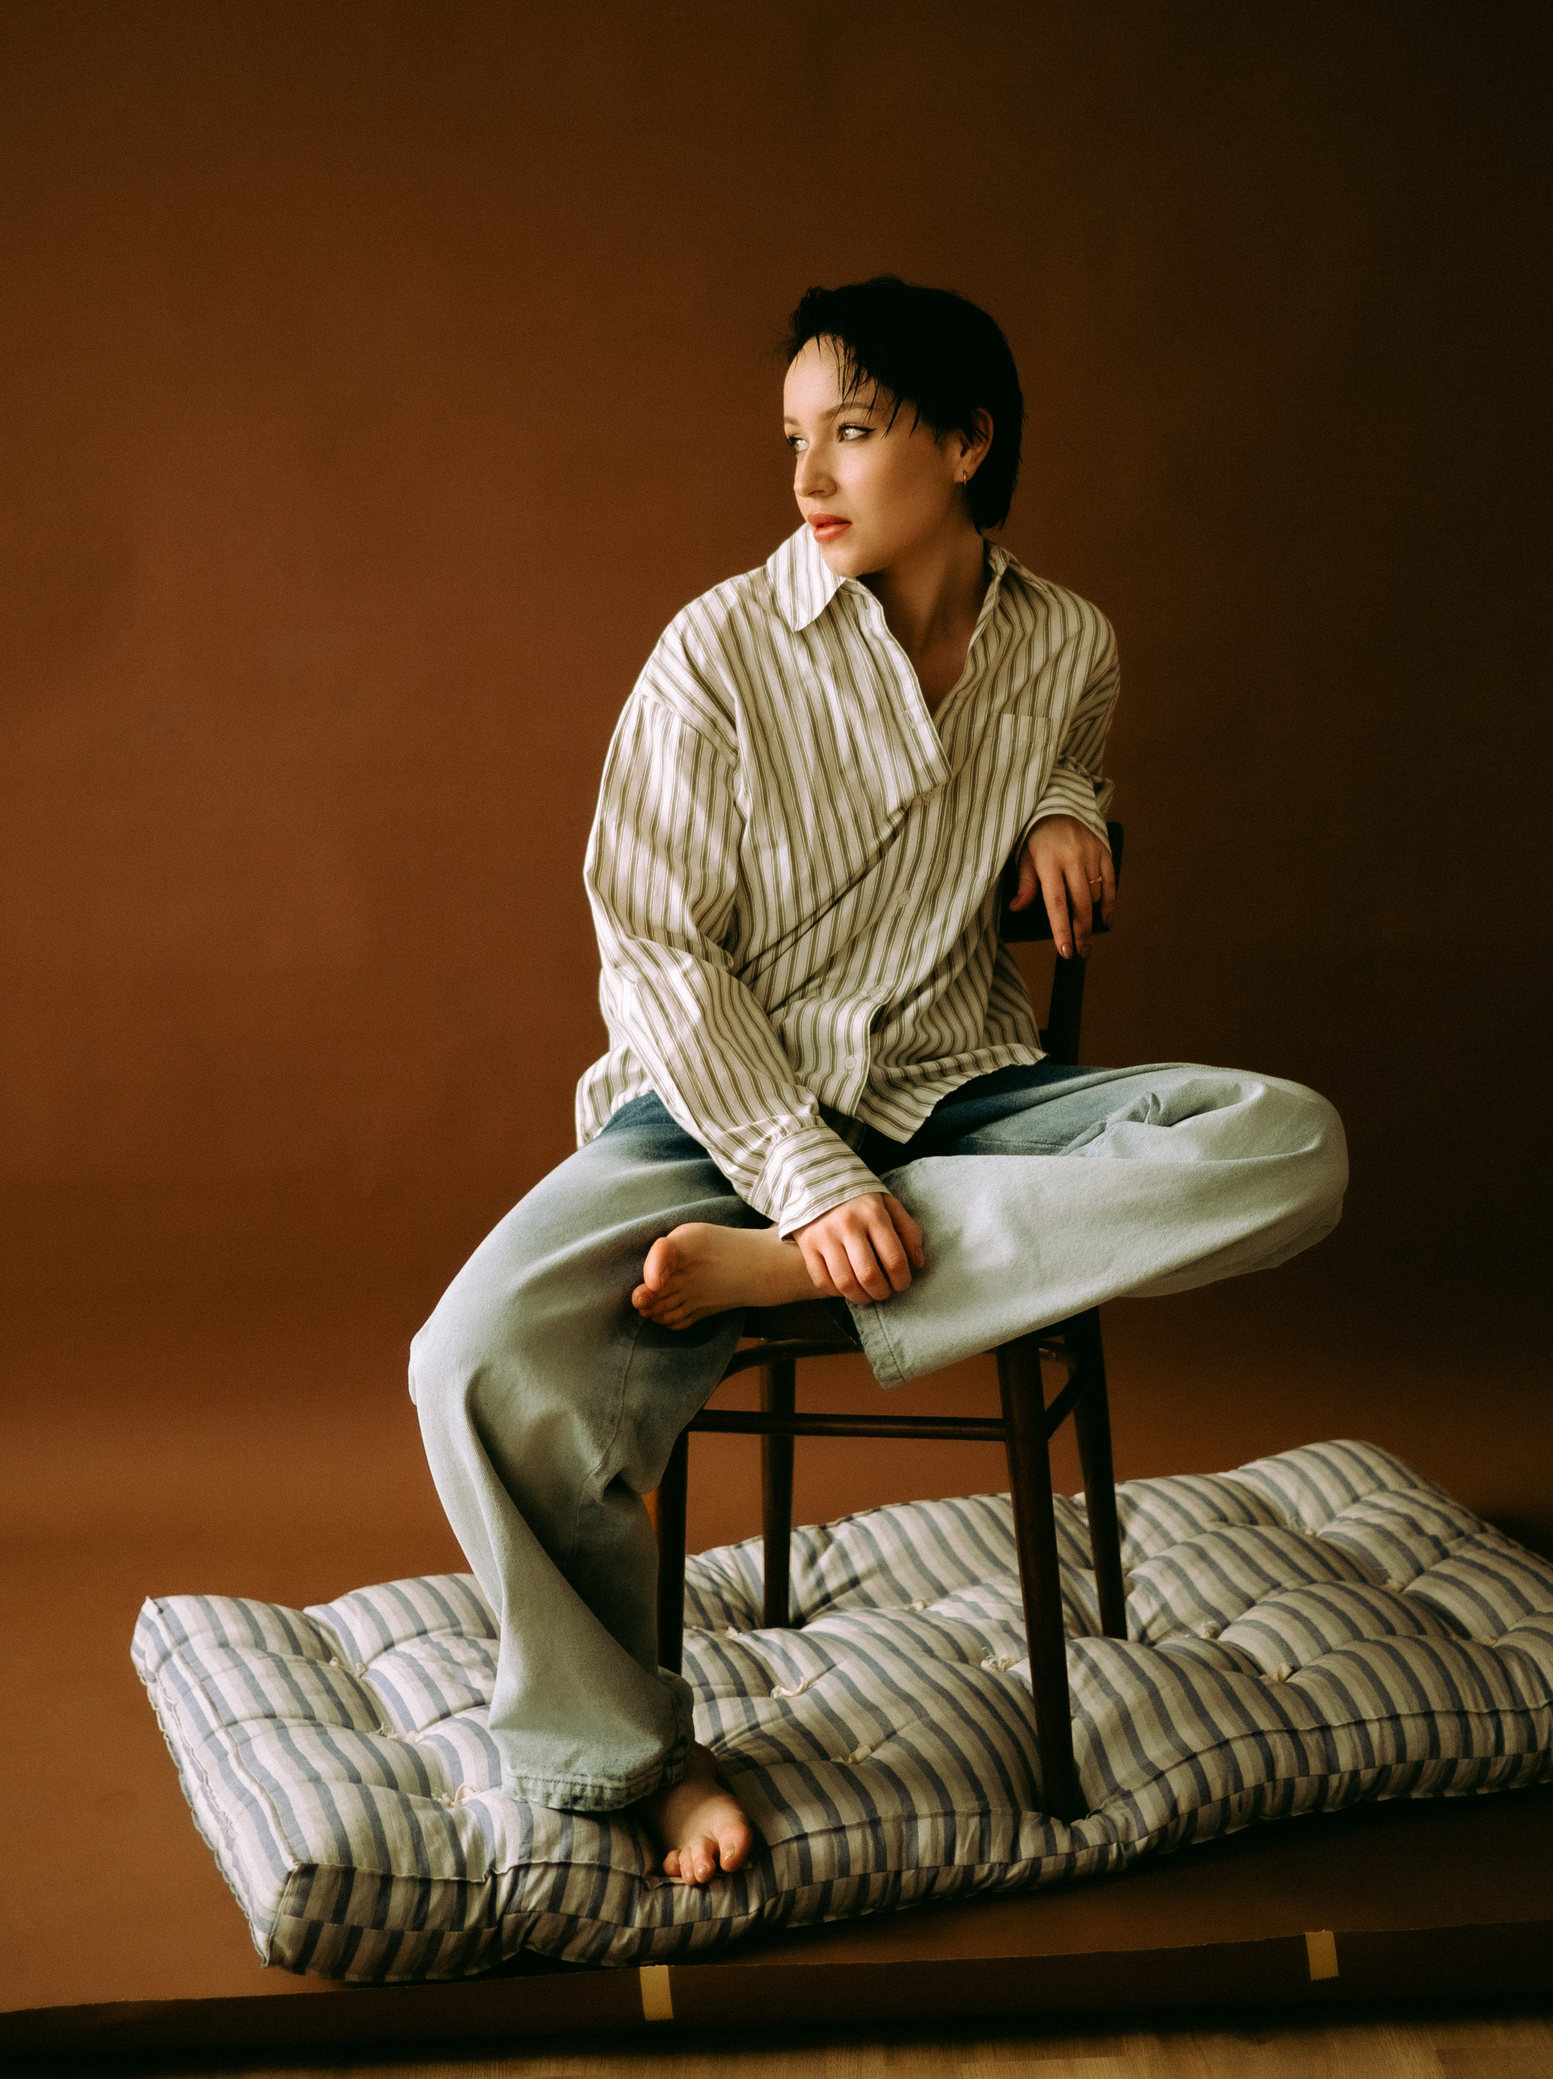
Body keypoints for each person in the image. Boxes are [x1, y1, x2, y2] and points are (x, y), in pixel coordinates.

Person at [409, 276, 1348, 1889]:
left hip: (964, 1089)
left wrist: (1068, 811)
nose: (808, 477)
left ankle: (812, 1273)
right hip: (729, 1106)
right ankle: (637, 1756)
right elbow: (653, 950)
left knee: (1288, 1143)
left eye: (851, 431)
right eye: (793, 438)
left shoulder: (1067, 644)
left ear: (968, 443)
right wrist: (806, 1173)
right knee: (468, 1359)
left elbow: (1069, 749)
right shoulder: (717, 653)